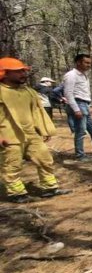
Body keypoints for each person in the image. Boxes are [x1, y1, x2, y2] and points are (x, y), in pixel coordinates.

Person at [0, 58, 72, 203]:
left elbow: (38, 112)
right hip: (9, 136)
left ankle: (50, 188)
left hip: (31, 134)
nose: (23, 74)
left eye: (23, 71)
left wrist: (44, 129)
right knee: (11, 164)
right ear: (5, 73)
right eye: (18, 71)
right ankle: (17, 193)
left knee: (45, 158)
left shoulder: (29, 91)